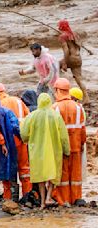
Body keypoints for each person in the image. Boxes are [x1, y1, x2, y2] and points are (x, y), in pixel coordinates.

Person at [20, 93, 70, 209]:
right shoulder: (56, 116)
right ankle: (48, 196)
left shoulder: (32, 116)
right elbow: (63, 136)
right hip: (54, 150)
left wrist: (26, 139)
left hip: (37, 151)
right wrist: (66, 150)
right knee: (52, 173)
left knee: (40, 175)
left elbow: (23, 132)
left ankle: (42, 202)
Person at [0, 82, 33, 198]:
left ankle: (9, 197)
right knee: (24, 169)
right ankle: (27, 195)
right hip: (22, 139)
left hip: (8, 142)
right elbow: (28, 118)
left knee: (8, 169)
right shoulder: (18, 100)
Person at [51, 78, 87, 206]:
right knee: (76, 176)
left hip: (62, 149)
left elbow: (53, 132)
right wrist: (82, 144)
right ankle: (76, 199)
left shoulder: (55, 107)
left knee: (63, 176)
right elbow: (83, 129)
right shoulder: (78, 108)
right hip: (77, 146)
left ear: (58, 90)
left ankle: (64, 200)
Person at [58, 19, 90, 104]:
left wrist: (65, 63)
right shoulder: (74, 34)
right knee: (79, 79)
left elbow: (66, 51)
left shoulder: (63, 36)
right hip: (78, 58)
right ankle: (86, 98)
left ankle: (59, 91)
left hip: (71, 58)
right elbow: (79, 47)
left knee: (56, 65)